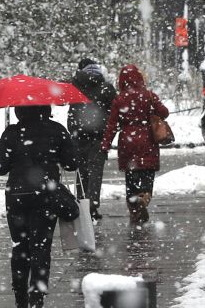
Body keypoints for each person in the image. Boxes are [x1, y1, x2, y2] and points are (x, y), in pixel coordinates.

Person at [0, 105, 79, 308]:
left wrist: (12, 147)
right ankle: (37, 299)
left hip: (17, 196)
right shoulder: (56, 130)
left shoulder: (12, 133)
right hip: (45, 196)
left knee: (20, 246)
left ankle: (20, 294)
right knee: (41, 248)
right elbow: (72, 163)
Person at [100, 64, 169, 225]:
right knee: (147, 174)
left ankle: (134, 210)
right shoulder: (149, 96)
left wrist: (105, 145)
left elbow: (112, 126)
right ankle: (144, 196)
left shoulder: (119, 99)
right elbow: (164, 113)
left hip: (127, 142)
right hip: (148, 141)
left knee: (131, 178)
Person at [67, 58, 116, 221]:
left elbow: (72, 112)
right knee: (96, 172)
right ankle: (93, 206)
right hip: (98, 136)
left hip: (78, 136)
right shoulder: (107, 89)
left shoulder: (75, 87)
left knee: (81, 173)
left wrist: (73, 129)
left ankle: (82, 206)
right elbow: (115, 111)